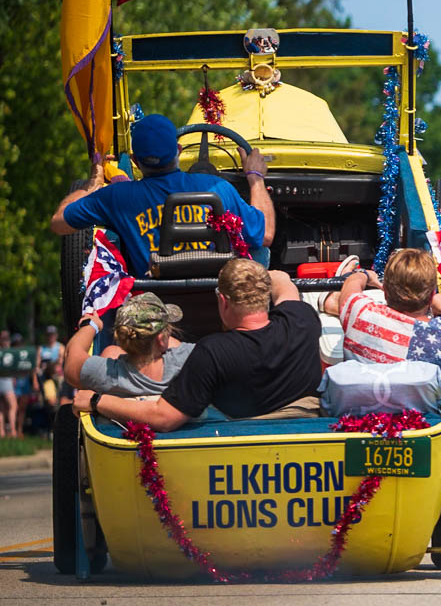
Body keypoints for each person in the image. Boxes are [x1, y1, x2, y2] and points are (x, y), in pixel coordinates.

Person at [71, 259, 321, 429]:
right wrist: (265, 277)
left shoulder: (212, 353)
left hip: (239, 447)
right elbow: (284, 284)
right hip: (309, 432)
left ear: (223, 301)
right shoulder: (304, 320)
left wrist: (96, 401)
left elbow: (164, 418)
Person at [49, 114, 274, 276]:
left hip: (157, 308)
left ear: (136, 162)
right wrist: (255, 178)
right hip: (216, 303)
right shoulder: (218, 187)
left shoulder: (116, 197)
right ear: (178, 151)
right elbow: (266, 235)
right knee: (257, 249)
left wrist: (92, 183)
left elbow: (59, 223)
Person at [337, 248, 441, 378]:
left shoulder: (361, 313)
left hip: (358, 412)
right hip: (422, 414)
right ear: (431, 296)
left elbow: (350, 286)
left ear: (385, 292)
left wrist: (364, 274)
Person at [63, 293, 195, 398]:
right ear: (161, 339)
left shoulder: (108, 374)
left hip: (123, 428)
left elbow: (72, 359)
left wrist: (90, 325)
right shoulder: (184, 361)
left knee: (111, 351)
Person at [0, 332, 18, 437]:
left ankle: (1, 432)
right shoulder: (8, 352)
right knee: (13, 406)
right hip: (5, 381)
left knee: (1, 408)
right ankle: (12, 431)